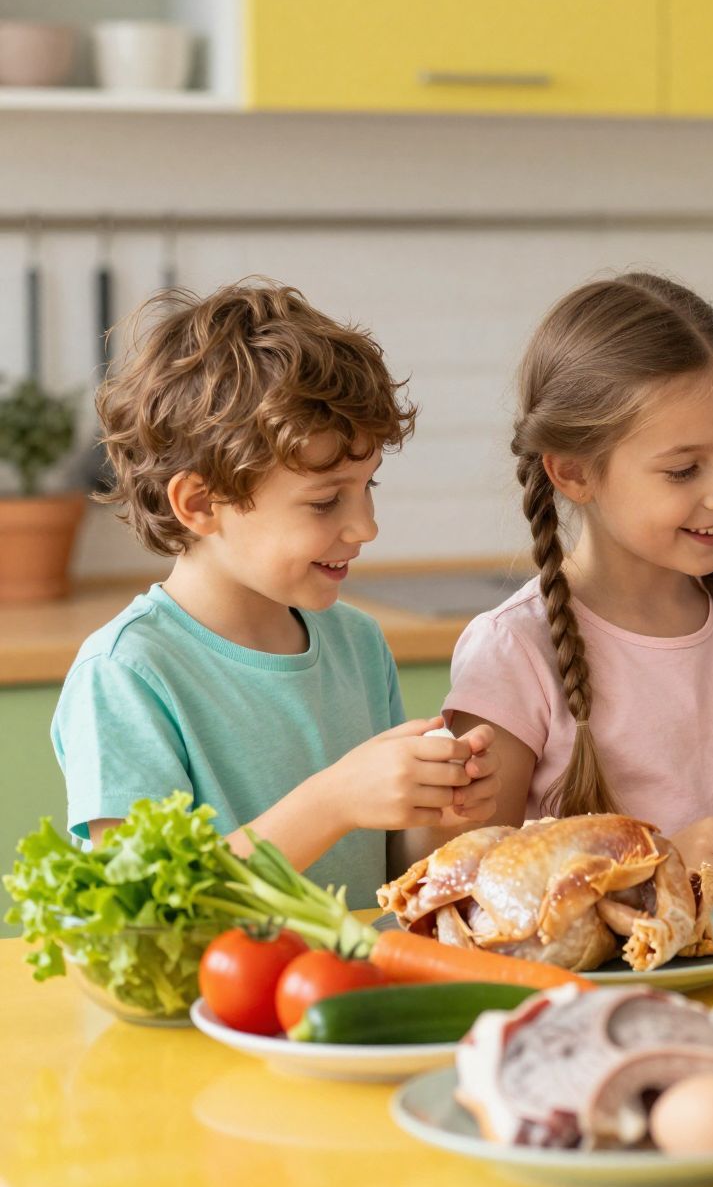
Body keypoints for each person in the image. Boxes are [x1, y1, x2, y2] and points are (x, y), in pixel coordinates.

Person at [52, 280, 498, 909]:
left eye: (368, 486)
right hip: (200, 1005)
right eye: (324, 501)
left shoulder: (358, 644)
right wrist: (334, 800)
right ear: (202, 503)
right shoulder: (127, 673)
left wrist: (438, 813)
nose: (366, 527)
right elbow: (139, 902)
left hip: (339, 993)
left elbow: (388, 865)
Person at [443, 273, 713, 885]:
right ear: (573, 473)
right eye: (683, 470)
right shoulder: (512, 654)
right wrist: (656, 863)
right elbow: (465, 886)